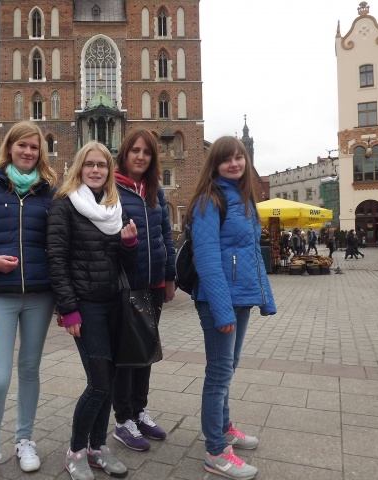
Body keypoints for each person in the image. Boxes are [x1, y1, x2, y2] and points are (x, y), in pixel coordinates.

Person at [0, 121, 58, 480]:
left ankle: (24, 440)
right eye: (22, 145)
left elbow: (58, 243)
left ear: (40, 152)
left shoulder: (49, 192)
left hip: (40, 295)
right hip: (0, 295)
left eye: (34, 147)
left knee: (30, 370)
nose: (28, 152)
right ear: (9, 148)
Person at [186, 136, 276, 479]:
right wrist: (222, 311)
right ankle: (215, 451)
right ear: (215, 164)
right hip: (217, 301)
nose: (234, 164)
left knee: (229, 368)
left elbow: (251, 253)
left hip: (240, 298)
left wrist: (265, 298)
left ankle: (223, 429)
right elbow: (208, 260)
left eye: (239, 158)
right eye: (227, 159)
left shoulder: (245, 199)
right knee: (219, 373)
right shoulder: (209, 201)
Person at [47, 141, 137, 480]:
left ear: (109, 170)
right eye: (90, 164)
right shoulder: (65, 204)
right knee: (99, 384)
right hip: (86, 306)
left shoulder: (114, 207)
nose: (96, 170)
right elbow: (57, 260)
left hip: (114, 303)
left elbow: (124, 263)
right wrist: (68, 308)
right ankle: (76, 451)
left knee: (109, 382)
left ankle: (98, 447)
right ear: (79, 168)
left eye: (102, 164)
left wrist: (129, 243)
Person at [112, 129, 176, 451]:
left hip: (154, 283)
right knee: (126, 354)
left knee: (146, 352)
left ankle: (139, 411)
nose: (140, 156)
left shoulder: (155, 191)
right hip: (127, 285)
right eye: (135, 150)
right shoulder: (112, 189)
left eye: (147, 152)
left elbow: (166, 235)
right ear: (125, 153)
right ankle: (123, 419)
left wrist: (170, 276)